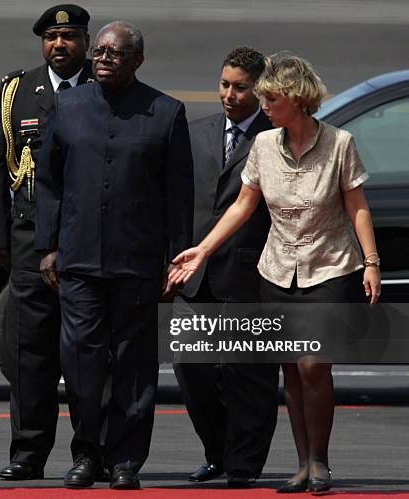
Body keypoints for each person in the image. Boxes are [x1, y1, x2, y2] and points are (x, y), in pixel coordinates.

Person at [169, 54, 381, 494]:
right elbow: (244, 205)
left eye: (272, 98)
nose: (264, 105)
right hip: (277, 270)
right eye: (262, 97)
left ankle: (321, 461)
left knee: (313, 365)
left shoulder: (340, 143)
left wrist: (372, 262)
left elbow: (356, 206)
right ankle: (302, 465)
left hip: (330, 268)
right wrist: (202, 251)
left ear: (298, 100)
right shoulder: (264, 146)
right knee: (290, 368)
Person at [35, 21, 193, 490]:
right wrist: (47, 247)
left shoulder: (166, 113)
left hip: (138, 263)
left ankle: (126, 459)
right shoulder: (67, 105)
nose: (102, 59)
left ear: (137, 60)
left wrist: (176, 259)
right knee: (80, 362)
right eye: (99, 51)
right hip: (79, 260)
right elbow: (48, 183)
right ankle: (87, 453)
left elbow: (178, 196)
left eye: (114, 53)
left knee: (133, 365)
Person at [0, 4, 95, 481]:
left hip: (88, 238)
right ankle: (28, 452)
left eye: (68, 37)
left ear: (85, 41)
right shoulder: (18, 91)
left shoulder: (102, 84)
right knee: (31, 352)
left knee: (91, 351)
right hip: (29, 238)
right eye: (50, 37)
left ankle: (93, 453)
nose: (59, 45)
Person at [172, 46, 279, 489]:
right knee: (191, 370)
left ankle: (244, 464)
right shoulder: (195, 134)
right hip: (195, 277)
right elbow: (175, 203)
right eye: (224, 85)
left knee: (250, 377)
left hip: (250, 276)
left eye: (240, 87)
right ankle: (216, 451)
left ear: (260, 90)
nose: (229, 95)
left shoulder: (275, 137)